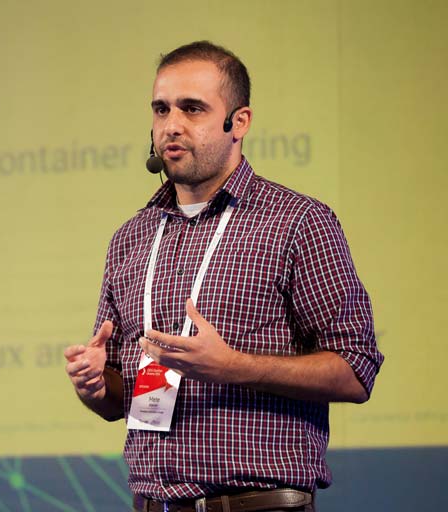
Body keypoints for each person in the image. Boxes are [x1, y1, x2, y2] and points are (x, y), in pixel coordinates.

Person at [65, 41, 384, 512]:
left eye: (192, 108)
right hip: (153, 503)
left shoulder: (296, 222)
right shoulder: (130, 238)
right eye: (161, 109)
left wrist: (234, 366)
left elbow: (357, 370)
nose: (172, 125)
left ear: (240, 122)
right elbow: (119, 401)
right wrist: (95, 384)